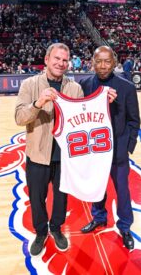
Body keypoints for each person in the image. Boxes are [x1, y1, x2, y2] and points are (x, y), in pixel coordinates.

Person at [15, 43, 84, 256]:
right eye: (57, 58)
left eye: (65, 60)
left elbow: (82, 121)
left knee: (61, 197)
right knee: (37, 198)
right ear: (46, 59)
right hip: (37, 154)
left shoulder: (75, 88)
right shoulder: (29, 85)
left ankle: (56, 228)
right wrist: (37, 103)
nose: (61, 63)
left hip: (64, 156)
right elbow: (19, 118)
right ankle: (41, 231)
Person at [79, 46, 141, 250]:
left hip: (118, 152)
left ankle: (125, 226)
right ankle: (99, 217)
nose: (103, 65)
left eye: (107, 61)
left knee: (122, 191)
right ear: (92, 62)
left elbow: (134, 120)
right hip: (94, 150)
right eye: (99, 61)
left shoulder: (127, 87)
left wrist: (128, 147)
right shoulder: (85, 84)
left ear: (114, 63)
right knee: (96, 189)